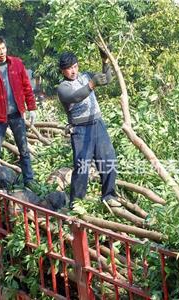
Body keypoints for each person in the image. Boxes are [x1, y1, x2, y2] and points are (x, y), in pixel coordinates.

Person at [57, 51, 119, 209]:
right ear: (62, 71)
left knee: (108, 159)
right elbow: (76, 97)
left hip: (97, 124)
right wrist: (92, 84)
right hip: (80, 129)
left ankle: (109, 196)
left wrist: (105, 62)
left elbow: (107, 80)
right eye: (69, 69)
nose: (73, 71)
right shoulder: (63, 87)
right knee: (82, 166)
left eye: (75, 66)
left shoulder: (85, 76)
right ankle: (76, 202)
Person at [0, 36, 37, 190]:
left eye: (4, 48)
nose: (2, 52)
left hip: (17, 115)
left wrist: (31, 108)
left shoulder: (17, 64)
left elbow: (27, 87)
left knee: (23, 148)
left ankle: (29, 179)